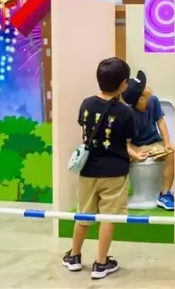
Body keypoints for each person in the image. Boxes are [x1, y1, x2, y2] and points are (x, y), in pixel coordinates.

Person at [62, 57, 142, 280]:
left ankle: (74, 256)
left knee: (83, 214)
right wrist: (136, 153)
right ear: (123, 83)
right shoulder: (125, 112)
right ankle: (101, 262)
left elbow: (84, 132)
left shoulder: (86, 104)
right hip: (115, 172)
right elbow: (128, 142)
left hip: (88, 170)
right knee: (108, 218)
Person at [122, 70, 175, 210]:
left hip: (154, 143)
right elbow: (125, 143)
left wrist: (167, 143)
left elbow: (161, 122)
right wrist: (135, 155)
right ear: (140, 99)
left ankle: (165, 193)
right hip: (135, 146)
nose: (149, 88)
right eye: (144, 88)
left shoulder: (153, 101)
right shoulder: (128, 114)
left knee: (172, 152)